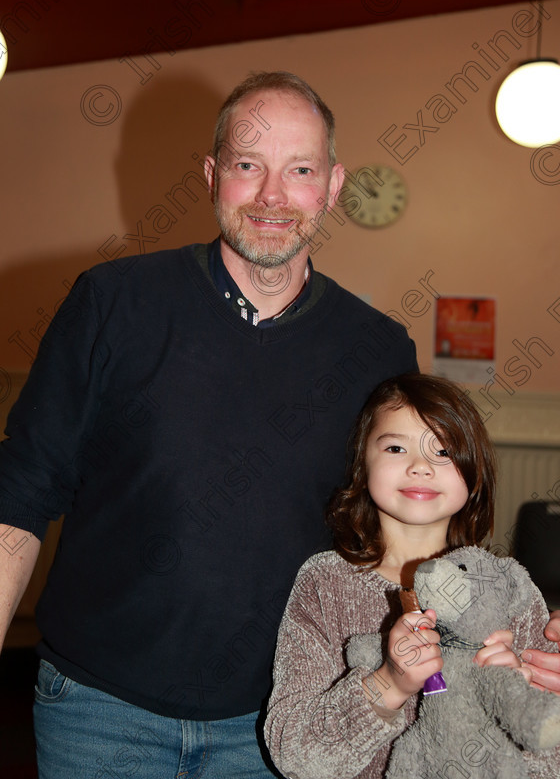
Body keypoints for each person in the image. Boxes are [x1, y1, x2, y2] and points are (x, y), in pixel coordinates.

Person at [0, 72, 558, 778]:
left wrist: (517, 637)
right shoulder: (113, 303)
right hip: (98, 709)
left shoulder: (378, 347)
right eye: (247, 166)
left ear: (331, 185)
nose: (271, 196)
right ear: (211, 176)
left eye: (299, 170)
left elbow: (412, 529)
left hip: (280, 725)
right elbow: (20, 490)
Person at [264, 373, 560, 779]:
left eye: (443, 451)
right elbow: (294, 755)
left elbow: (550, 757)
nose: (420, 466)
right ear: (363, 463)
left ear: (473, 474)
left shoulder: (509, 589)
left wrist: (509, 697)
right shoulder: (323, 584)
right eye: (397, 447)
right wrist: (388, 684)